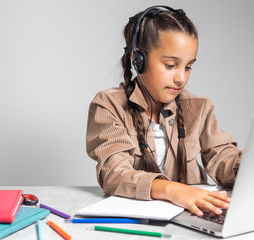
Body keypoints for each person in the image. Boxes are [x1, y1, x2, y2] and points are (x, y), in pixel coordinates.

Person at [86, 5, 242, 217]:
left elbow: (223, 158)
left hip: (193, 215)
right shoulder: (108, 104)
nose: (181, 78)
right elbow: (114, 174)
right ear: (138, 60)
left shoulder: (199, 106)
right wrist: (174, 190)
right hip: (133, 219)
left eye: (188, 67)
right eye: (170, 65)